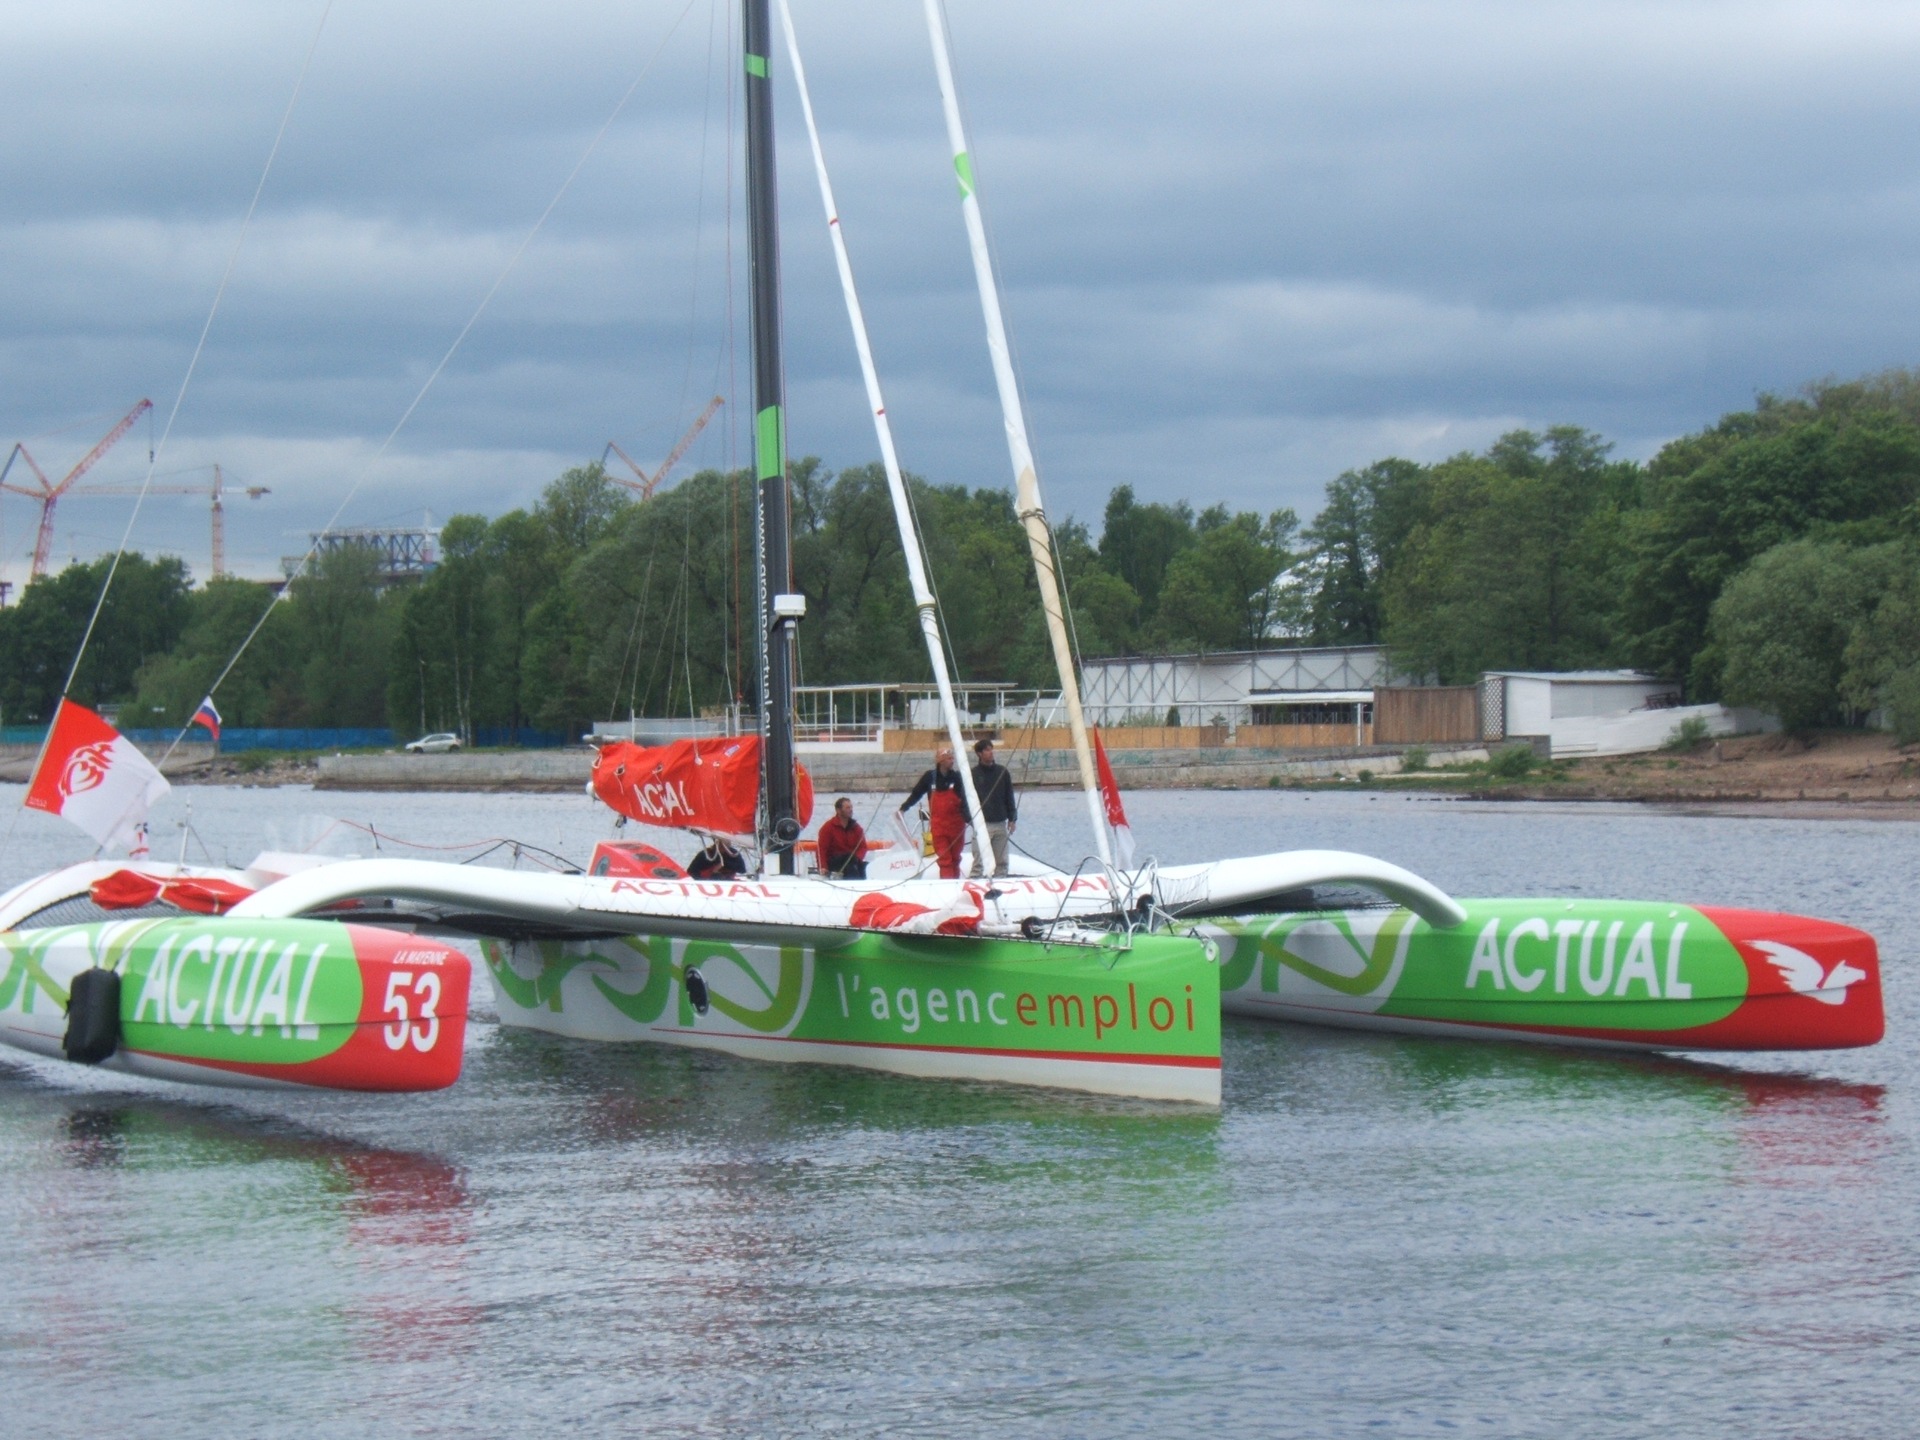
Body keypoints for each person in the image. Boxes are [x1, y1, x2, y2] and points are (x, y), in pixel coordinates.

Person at [899, 746, 966, 879]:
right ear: (940, 761)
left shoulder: (958, 778)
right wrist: (904, 808)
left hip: (957, 827)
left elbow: (966, 801)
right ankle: (948, 886)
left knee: (955, 858)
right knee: (945, 860)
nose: (952, 761)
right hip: (939, 827)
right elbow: (916, 794)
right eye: (949, 759)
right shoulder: (929, 778)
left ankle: (956, 885)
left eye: (952, 758)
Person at [968, 737, 1016, 877]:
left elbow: (1009, 796)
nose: (991, 753)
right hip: (982, 824)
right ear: (979, 754)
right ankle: (974, 883)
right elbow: (965, 800)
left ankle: (1001, 885)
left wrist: (1012, 818)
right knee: (979, 863)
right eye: (987, 750)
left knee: (1002, 862)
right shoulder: (973, 774)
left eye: (991, 749)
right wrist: (970, 819)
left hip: (1000, 823)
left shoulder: (1002, 772)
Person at [817, 796, 869, 880]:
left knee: (866, 867)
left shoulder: (856, 828)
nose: (851, 810)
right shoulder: (828, 827)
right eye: (847, 808)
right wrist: (823, 867)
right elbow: (822, 849)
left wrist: (857, 858)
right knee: (849, 861)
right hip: (835, 862)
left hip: (852, 860)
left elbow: (863, 847)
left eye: (851, 807)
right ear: (838, 810)